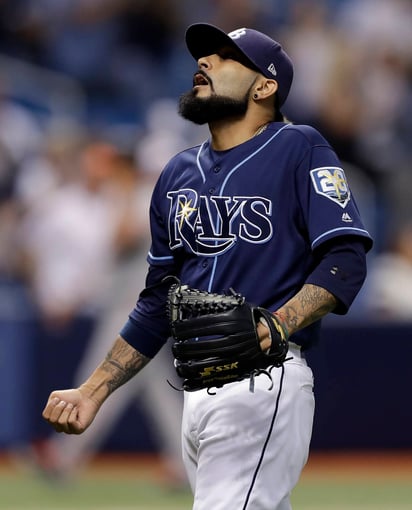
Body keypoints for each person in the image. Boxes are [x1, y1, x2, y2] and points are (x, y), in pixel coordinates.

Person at [43, 23, 373, 509]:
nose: (205, 62)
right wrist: (94, 391)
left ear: (265, 86)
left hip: (264, 383)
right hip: (196, 393)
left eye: (226, 57)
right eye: (204, 55)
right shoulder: (177, 173)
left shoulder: (299, 148)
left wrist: (280, 323)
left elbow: (344, 259)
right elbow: (157, 301)